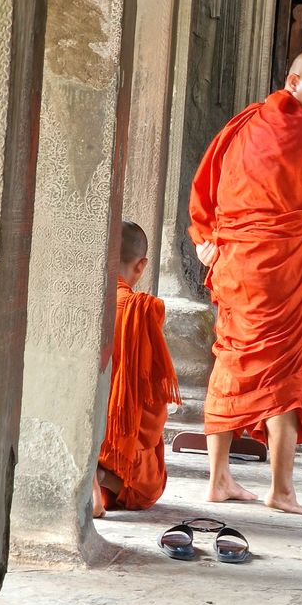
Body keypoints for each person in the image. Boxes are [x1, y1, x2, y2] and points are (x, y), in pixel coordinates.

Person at [189, 49, 302, 514]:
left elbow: (209, 183)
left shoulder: (245, 124)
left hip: (240, 268)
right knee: (287, 373)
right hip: (286, 276)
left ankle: (218, 479)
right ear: (293, 82)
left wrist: (208, 237)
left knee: (233, 358)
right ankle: (280, 490)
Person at [92, 221, 181, 516]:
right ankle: (99, 476)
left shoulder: (78, 301)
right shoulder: (140, 310)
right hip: (116, 451)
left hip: (74, 434)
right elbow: (153, 399)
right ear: (141, 265)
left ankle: (88, 472)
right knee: (150, 487)